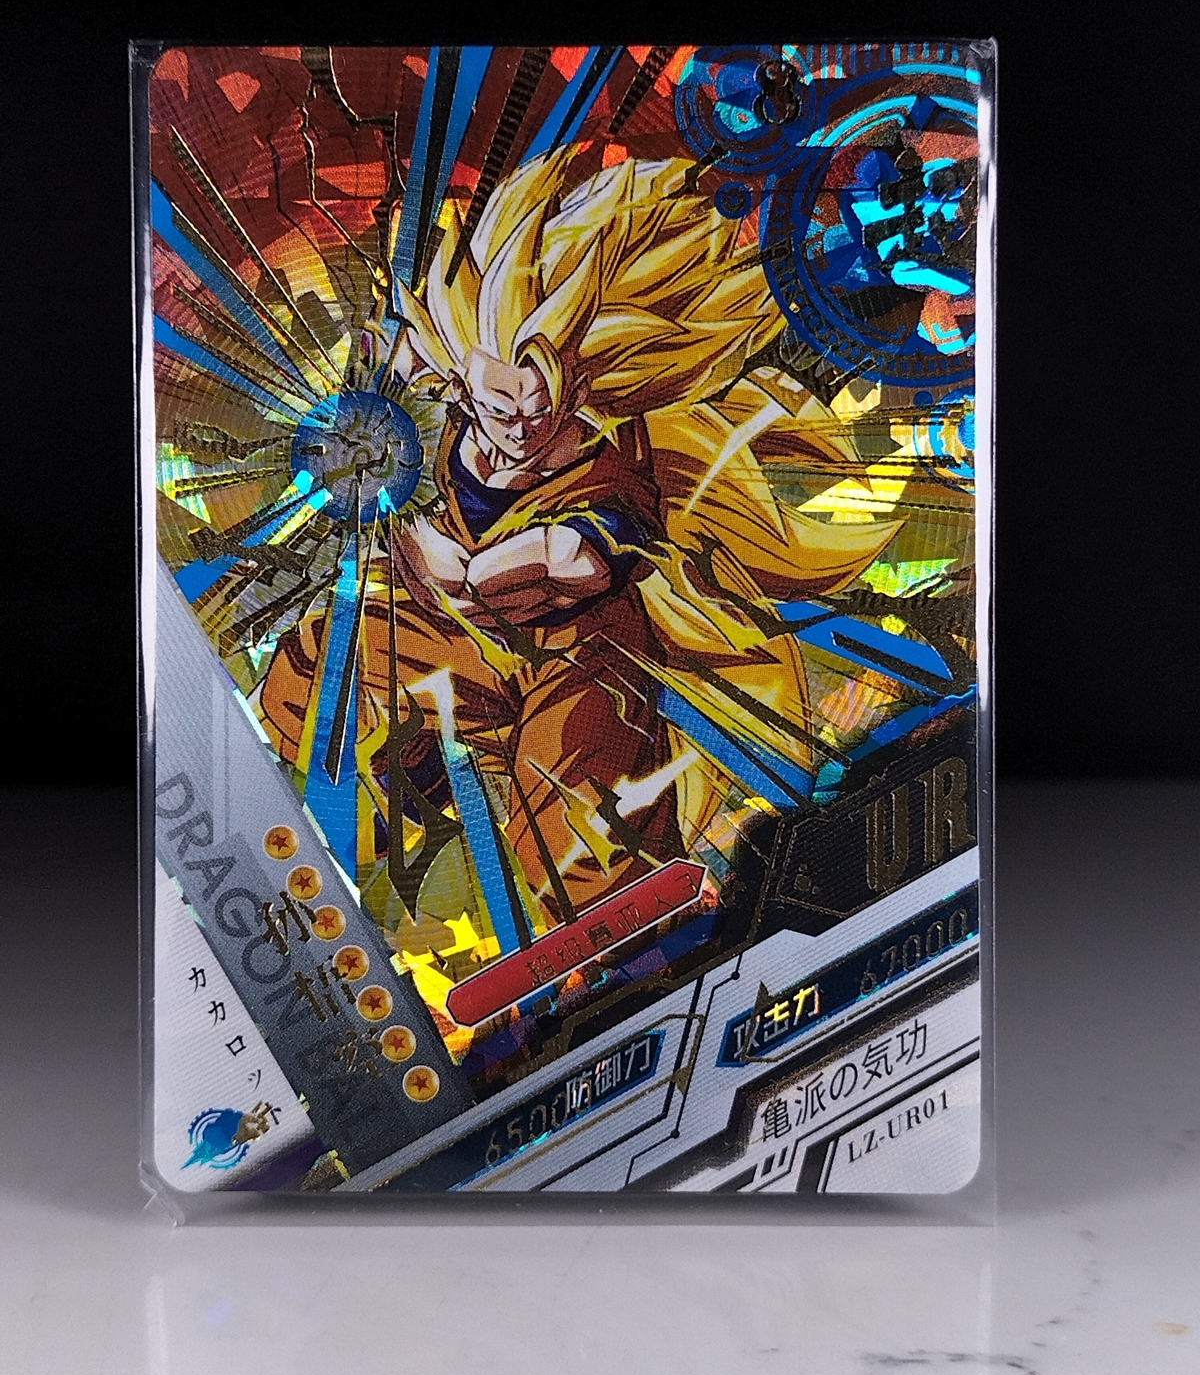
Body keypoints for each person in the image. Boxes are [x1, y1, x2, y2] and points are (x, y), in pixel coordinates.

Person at [262, 148, 898, 926]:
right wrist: (410, 532)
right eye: (499, 407)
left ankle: (634, 930)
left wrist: (477, 570)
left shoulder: (617, 465)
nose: (520, 429)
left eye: (541, 409)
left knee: (576, 818)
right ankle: (396, 798)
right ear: (463, 374)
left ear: (582, 385)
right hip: (451, 642)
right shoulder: (438, 410)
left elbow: (573, 561)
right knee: (309, 670)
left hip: (576, 662)